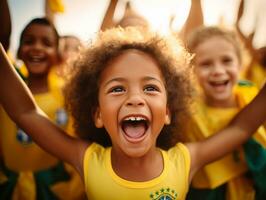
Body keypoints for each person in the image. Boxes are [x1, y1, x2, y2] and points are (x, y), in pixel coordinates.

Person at [0, 27, 265, 200]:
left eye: (150, 87)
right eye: (117, 89)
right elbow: (26, 112)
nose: (135, 99)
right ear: (98, 115)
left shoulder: (184, 162)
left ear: (169, 112)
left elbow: (240, 128)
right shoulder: (87, 160)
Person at [0, 17, 85, 199]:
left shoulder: (67, 92)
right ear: (19, 51)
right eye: (29, 41)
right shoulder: (6, 90)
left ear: (58, 54)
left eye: (46, 43)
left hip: (53, 187)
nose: (37, 48)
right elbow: (3, 37)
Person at [185, 26, 266, 200]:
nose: (218, 71)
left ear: (240, 63)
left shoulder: (250, 94)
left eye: (227, 61)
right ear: (192, 70)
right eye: (206, 64)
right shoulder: (188, 112)